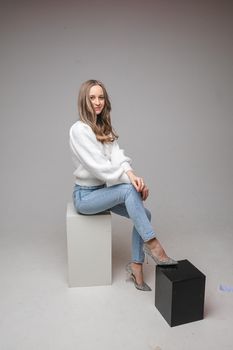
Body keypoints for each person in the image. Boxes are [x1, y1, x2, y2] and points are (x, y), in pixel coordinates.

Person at [69, 79, 177, 292]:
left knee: (144, 214)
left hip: (102, 193)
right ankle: (153, 245)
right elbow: (101, 168)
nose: (97, 102)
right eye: (92, 98)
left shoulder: (102, 127)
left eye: (101, 97)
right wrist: (131, 184)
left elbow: (117, 156)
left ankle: (136, 266)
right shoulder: (79, 130)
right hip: (85, 197)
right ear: (84, 101)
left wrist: (134, 176)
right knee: (129, 190)